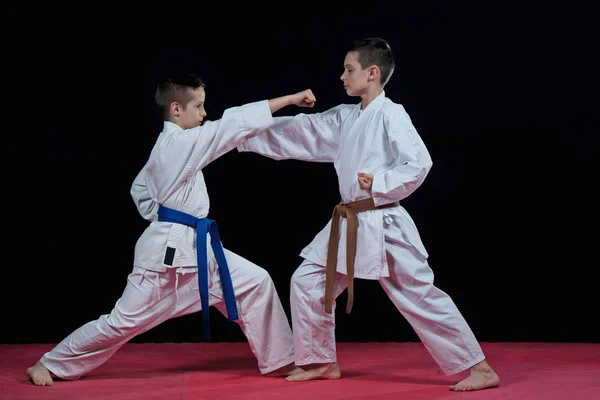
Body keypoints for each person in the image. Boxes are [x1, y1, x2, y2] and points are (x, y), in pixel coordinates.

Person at [236, 38, 500, 392]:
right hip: (348, 222)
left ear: (372, 73)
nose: (342, 76)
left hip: (383, 221)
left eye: (349, 69)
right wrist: (236, 133)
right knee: (308, 281)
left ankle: (480, 368)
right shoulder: (347, 118)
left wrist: (381, 181)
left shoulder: (392, 114)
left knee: (418, 295)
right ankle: (320, 360)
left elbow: (418, 163)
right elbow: (301, 131)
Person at [26, 70, 317, 386]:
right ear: (176, 109)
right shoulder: (177, 145)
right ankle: (51, 363)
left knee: (255, 282)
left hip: (197, 249)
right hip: (167, 260)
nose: (205, 114)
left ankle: (279, 361)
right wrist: (288, 99)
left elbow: (140, 189)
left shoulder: (170, 147)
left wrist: (165, 214)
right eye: (199, 106)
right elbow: (231, 125)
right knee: (122, 322)